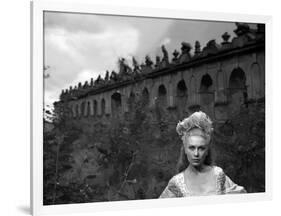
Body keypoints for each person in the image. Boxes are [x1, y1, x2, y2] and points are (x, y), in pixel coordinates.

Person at [159, 111, 246, 198]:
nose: (196, 154)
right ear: (185, 149)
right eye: (192, 148)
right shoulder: (176, 183)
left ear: (207, 151)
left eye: (201, 148)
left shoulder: (218, 175)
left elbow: (242, 199)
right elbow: (158, 208)